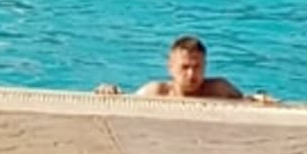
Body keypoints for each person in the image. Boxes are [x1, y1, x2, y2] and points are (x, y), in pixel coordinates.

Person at [98, 35, 244, 100]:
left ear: (205, 66)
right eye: (185, 67)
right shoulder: (156, 92)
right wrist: (109, 90)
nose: (191, 74)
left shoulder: (220, 89)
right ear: (170, 67)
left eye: (197, 67)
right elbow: (127, 102)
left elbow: (249, 102)